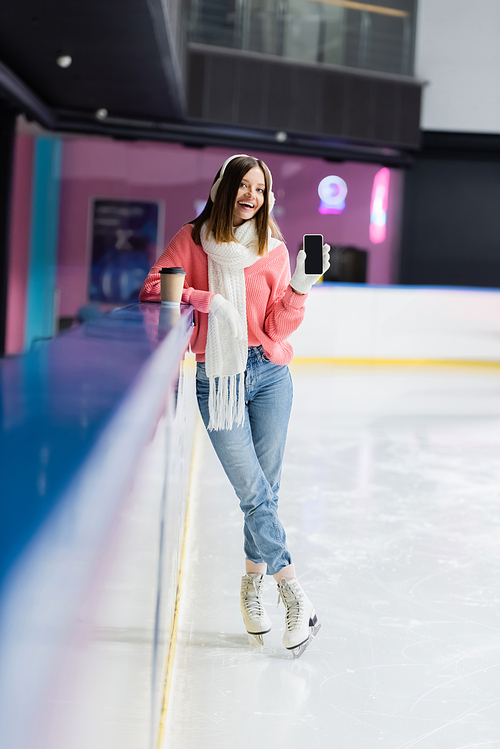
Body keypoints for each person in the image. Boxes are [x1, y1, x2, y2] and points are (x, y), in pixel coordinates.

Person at [140, 154, 329, 658]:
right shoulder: (192, 238)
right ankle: (293, 590)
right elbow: (155, 287)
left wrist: (301, 289)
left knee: (266, 491)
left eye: (261, 189)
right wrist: (208, 301)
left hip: (269, 374)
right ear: (224, 187)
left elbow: (278, 324)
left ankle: (252, 585)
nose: (253, 196)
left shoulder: (274, 249)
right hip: (216, 376)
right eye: (244, 186)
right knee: (253, 492)